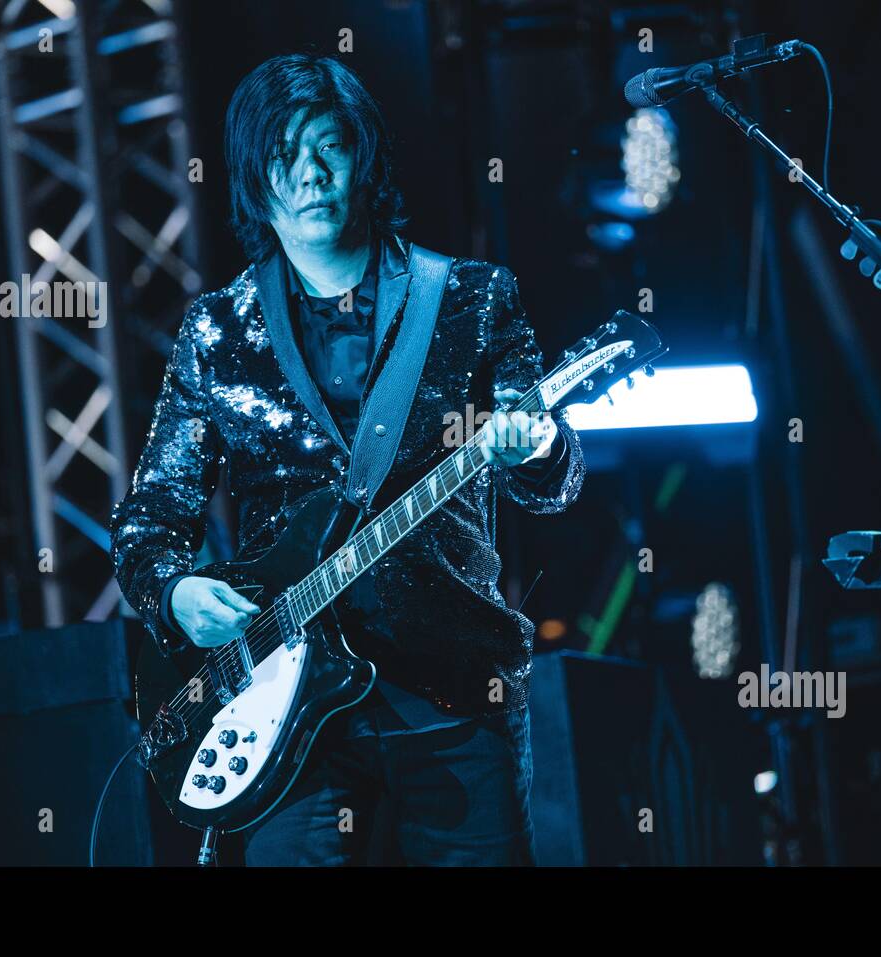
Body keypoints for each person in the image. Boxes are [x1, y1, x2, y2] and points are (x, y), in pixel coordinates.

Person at [109, 53, 584, 865]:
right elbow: (149, 520)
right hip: (285, 710)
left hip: (455, 688)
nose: (309, 173)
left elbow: (554, 481)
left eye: (328, 146)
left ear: (363, 157)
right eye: (283, 154)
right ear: (254, 180)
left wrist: (537, 442)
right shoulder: (218, 334)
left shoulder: (470, 298)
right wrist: (176, 592)